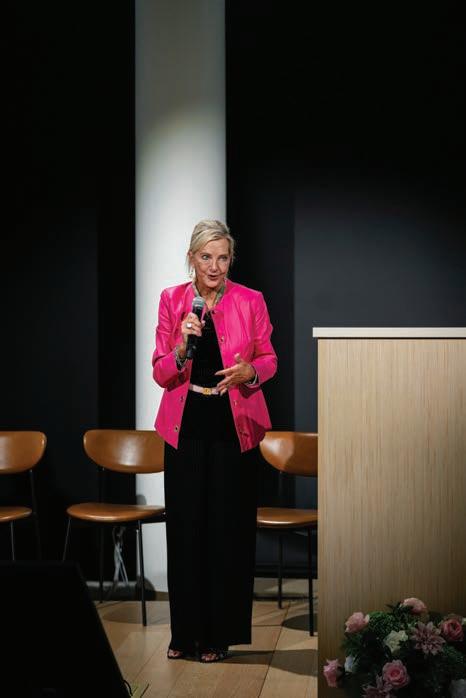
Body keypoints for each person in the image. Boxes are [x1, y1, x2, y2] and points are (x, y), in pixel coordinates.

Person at [152, 219, 277, 663]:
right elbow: (160, 371)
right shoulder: (172, 300)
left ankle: (218, 636)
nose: (214, 266)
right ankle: (185, 635)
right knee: (186, 530)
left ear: (230, 260)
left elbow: (269, 358)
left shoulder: (250, 300)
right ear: (192, 258)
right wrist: (181, 347)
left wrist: (251, 371)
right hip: (185, 428)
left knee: (227, 532)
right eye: (206, 257)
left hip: (232, 428)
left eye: (223, 258)